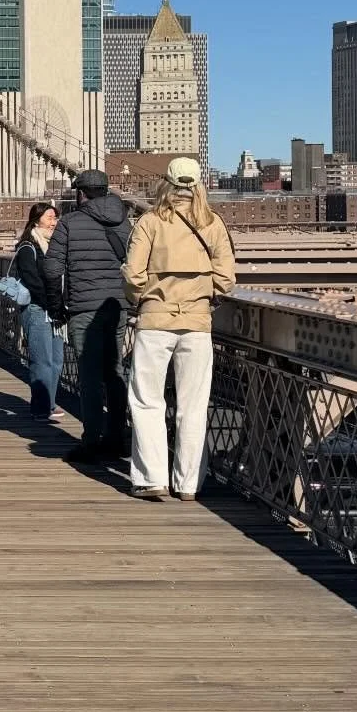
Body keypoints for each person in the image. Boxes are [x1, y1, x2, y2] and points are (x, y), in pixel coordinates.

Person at [123, 157, 236, 501]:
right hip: (198, 323)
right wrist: (204, 297)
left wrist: (143, 299)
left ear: (166, 183)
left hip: (155, 321)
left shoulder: (150, 222)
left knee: (147, 402)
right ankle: (188, 484)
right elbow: (227, 279)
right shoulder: (213, 223)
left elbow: (132, 274)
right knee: (194, 404)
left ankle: (151, 478)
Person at [41, 170, 133, 464]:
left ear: (81, 193)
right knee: (115, 371)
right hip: (116, 307)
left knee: (90, 377)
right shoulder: (123, 221)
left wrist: (56, 305)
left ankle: (92, 440)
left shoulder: (68, 223)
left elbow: (52, 270)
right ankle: (118, 437)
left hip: (83, 308)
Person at [13, 202, 65, 421]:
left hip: (54, 310)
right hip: (37, 309)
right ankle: (40, 408)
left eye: (55, 218)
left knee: (56, 360)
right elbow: (32, 280)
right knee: (41, 360)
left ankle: (50, 404)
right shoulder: (28, 247)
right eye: (50, 217)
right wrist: (51, 302)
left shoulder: (54, 246)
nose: (54, 222)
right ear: (37, 220)